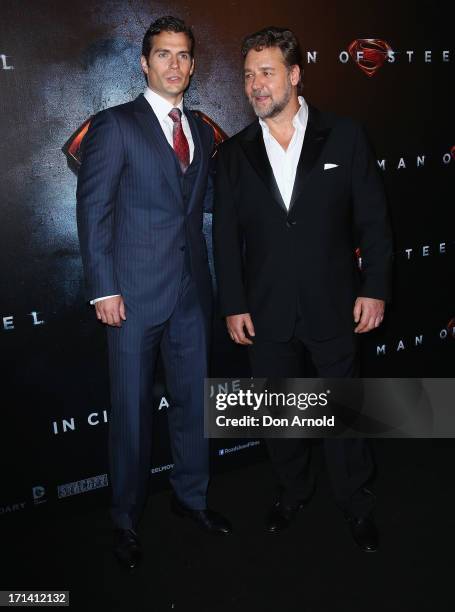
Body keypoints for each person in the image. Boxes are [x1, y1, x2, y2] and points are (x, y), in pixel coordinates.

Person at [213, 26, 393, 552]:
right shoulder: (235, 153)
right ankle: (292, 492)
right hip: (264, 310)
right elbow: (224, 238)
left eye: (266, 72)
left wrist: (375, 288)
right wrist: (234, 304)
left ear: (294, 74)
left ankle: (357, 502)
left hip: (335, 302)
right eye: (248, 75)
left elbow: (375, 223)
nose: (256, 85)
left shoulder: (345, 135)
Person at [76, 16, 231, 570]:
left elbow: (204, 208)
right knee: (132, 413)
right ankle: (125, 521)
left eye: (183, 55)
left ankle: (192, 500)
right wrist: (104, 290)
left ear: (193, 64)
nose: (174, 65)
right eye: (163, 54)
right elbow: (93, 210)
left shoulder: (202, 131)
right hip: (133, 296)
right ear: (144, 63)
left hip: (192, 293)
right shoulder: (114, 125)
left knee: (193, 406)